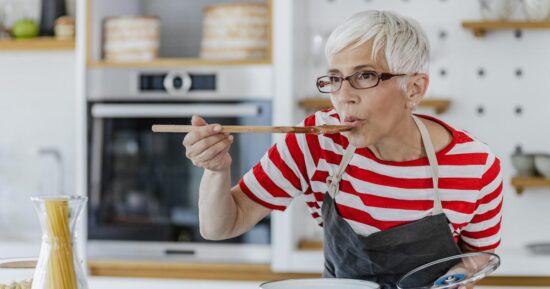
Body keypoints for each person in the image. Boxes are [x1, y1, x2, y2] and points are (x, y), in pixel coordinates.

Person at [182, 10, 503, 288]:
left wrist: (457, 277)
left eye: (364, 76)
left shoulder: (476, 166)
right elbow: (221, 226)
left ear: (414, 88)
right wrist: (216, 169)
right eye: (335, 79)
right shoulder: (315, 142)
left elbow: (476, 262)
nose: (344, 96)